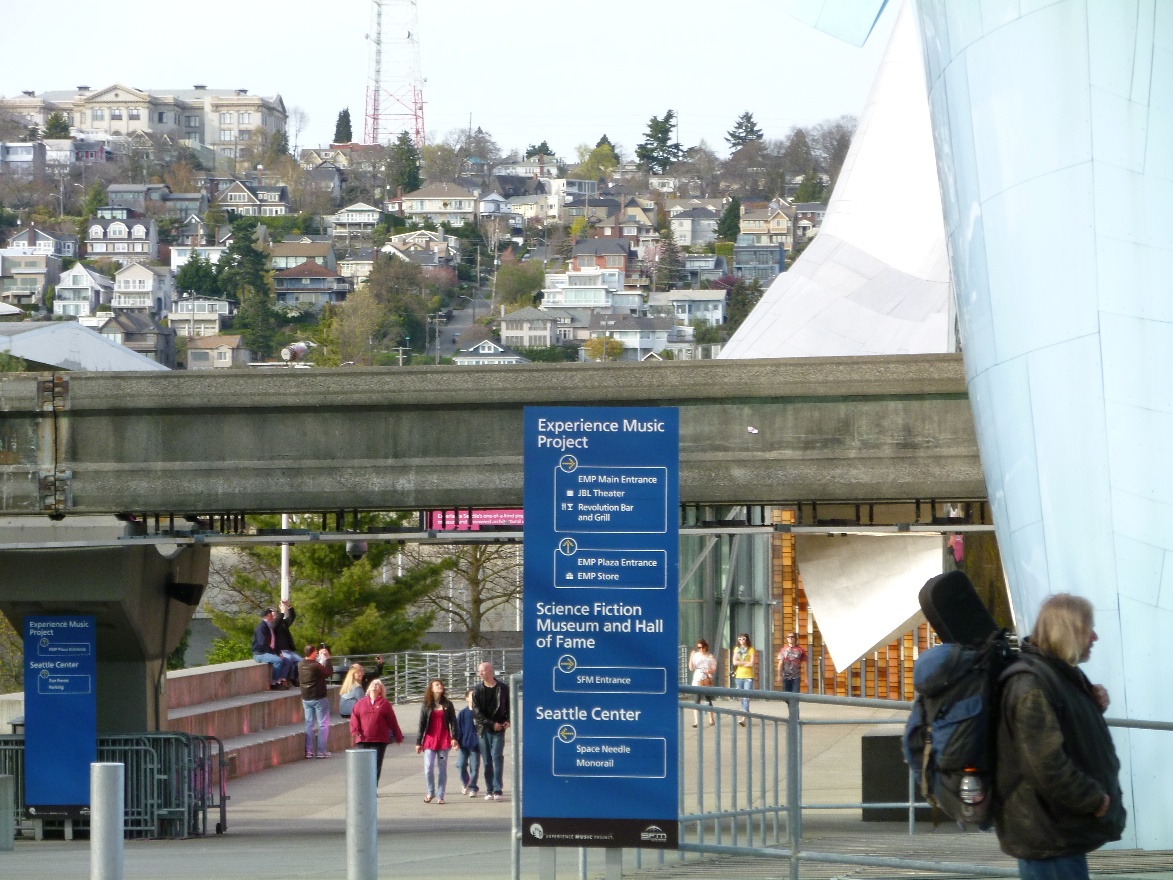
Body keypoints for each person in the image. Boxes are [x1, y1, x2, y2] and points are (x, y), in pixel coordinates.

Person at [994, 594, 1126, 880]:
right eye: (1087, 629)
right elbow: (1045, 764)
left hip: (1055, 829)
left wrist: (1091, 703)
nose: (1095, 636)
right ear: (1067, 631)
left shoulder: (1056, 675)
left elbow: (1062, 733)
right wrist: (1093, 799)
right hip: (1048, 834)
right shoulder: (1032, 685)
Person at [350, 678, 403, 784]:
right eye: (373, 684)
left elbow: (392, 721)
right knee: (364, 765)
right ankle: (364, 787)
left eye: (378, 685)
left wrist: (398, 736)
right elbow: (354, 717)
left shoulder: (385, 704)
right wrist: (355, 731)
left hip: (379, 740)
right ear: (369, 688)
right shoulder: (361, 703)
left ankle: (373, 788)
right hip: (364, 739)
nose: (375, 686)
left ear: (381, 690)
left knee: (376, 765)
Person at [471, 661, 509, 801]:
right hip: (484, 729)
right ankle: (489, 789)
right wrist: (491, 724)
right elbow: (476, 712)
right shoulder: (477, 690)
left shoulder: (503, 688)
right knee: (487, 760)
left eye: (482, 671)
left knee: (497, 757)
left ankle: (498, 789)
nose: (480, 673)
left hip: (499, 728)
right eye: (479, 671)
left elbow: (509, 705)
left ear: (490, 671)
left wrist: (507, 719)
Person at [415, 678, 458, 804]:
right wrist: (418, 742)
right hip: (430, 739)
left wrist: (454, 737)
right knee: (428, 767)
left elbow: (453, 722)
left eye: (441, 684)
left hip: (444, 739)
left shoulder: (447, 704)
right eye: (437, 685)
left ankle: (441, 795)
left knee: (442, 769)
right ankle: (430, 792)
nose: (440, 686)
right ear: (431, 689)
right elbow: (421, 724)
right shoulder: (426, 705)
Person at [251, 601, 299, 689]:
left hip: (274, 650)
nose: (274, 615)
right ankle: (274, 682)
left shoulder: (274, 626)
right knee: (278, 661)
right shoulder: (265, 627)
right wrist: (282, 612)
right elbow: (263, 644)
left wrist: (289, 607)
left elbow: (291, 618)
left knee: (292, 661)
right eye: (273, 613)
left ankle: (287, 679)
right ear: (269, 615)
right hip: (260, 653)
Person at [298, 644, 333, 759]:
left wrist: (319, 659)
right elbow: (329, 672)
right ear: (313, 653)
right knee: (323, 724)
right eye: (316, 652)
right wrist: (327, 658)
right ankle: (321, 751)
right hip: (319, 697)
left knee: (309, 724)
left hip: (306, 698)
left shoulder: (300, 664)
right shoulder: (316, 666)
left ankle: (309, 751)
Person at [455, 688, 481, 797]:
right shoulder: (462, 713)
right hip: (463, 744)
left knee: (474, 767)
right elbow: (457, 728)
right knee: (460, 765)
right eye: (472, 695)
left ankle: (473, 787)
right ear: (467, 698)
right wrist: (456, 740)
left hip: (476, 746)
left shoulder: (480, 713)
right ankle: (466, 781)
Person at [688, 639, 717, 727]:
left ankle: (711, 718)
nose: (700, 649)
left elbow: (714, 668)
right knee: (697, 699)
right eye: (698, 647)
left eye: (702, 647)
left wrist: (709, 671)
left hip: (706, 678)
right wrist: (691, 657)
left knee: (708, 699)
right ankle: (696, 721)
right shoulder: (695, 655)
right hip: (697, 677)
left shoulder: (710, 656)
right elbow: (691, 668)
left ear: (705, 647)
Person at [731, 633, 756, 725]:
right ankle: (746, 713)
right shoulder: (737, 649)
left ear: (747, 639)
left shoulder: (751, 649)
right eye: (740, 639)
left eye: (743, 638)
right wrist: (745, 663)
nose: (741, 640)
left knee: (746, 696)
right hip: (739, 675)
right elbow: (734, 662)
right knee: (741, 696)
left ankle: (744, 717)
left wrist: (740, 662)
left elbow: (751, 663)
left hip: (748, 676)